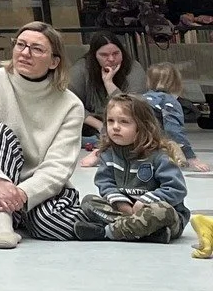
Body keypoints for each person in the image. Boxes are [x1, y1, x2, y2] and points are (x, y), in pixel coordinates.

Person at [0, 20, 85, 248]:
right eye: (20, 44)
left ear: (54, 61)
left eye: (37, 49)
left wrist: (22, 193)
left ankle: (126, 225)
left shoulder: (71, 105)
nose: (25, 53)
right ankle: (2, 225)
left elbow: (59, 165)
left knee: (50, 225)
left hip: (36, 190)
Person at [78, 94, 189, 243]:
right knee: (88, 202)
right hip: (126, 210)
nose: (115, 127)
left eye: (124, 122)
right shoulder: (108, 154)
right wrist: (122, 204)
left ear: (142, 126)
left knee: (162, 211)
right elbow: (105, 184)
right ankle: (147, 233)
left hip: (157, 214)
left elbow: (176, 188)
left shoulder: (158, 156)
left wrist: (145, 201)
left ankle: (107, 232)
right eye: (110, 121)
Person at [73, 32, 145, 165]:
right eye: (104, 55)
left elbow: (132, 108)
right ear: (94, 56)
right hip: (90, 127)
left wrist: (109, 83)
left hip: (126, 123)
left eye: (116, 53)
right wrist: (100, 126)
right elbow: (71, 105)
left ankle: (103, 150)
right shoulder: (81, 69)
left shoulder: (134, 68)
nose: (111, 59)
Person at [142, 63, 208, 172]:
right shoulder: (168, 102)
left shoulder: (141, 99)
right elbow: (173, 130)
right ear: (177, 83)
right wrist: (190, 157)